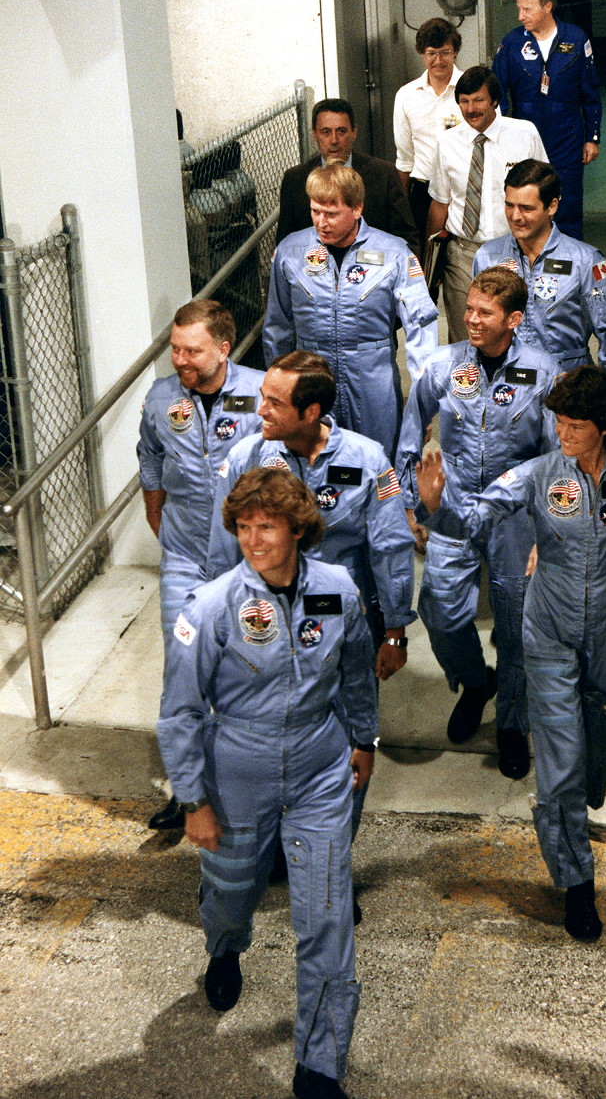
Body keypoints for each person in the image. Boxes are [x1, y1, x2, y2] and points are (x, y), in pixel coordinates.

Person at [415, 365, 606, 941]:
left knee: (595, 747)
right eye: (559, 423)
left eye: (574, 425)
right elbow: (476, 519)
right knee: (561, 764)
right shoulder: (538, 475)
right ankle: (577, 885)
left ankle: (579, 803)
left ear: (604, 428)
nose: (562, 433)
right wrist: (436, 507)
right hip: (547, 626)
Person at [158, 467, 376, 1099]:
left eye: (267, 527)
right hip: (236, 772)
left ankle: (319, 1069)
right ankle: (225, 947)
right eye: (245, 528)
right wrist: (193, 800)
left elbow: (357, 670)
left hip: (318, 770)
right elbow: (179, 712)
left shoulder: (338, 589)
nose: (254, 540)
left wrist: (364, 740)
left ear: (297, 529)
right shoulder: (210, 606)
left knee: (328, 919)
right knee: (230, 896)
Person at [206, 352, 416, 859]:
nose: (261, 410)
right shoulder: (246, 459)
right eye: (262, 398)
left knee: (348, 742)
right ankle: (272, 849)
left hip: (343, 628)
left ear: (311, 411)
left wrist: (394, 631)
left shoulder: (367, 460)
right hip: (263, 627)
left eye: (274, 403)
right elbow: (221, 552)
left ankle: (328, 859)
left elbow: (390, 548)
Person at [396, 268, 560, 777]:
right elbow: (409, 433)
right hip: (454, 503)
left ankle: (511, 721)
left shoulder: (543, 372)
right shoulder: (443, 366)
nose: (471, 319)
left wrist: (548, 532)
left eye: (485, 313)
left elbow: (556, 458)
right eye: (468, 309)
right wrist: (411, 504)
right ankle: (474, 681)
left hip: (515, 514)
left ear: (514, 319)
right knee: (440, 611)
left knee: (515, 626)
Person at [137, 299, 264, 831]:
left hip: (245, 563)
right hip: (185, 558)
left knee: (246, 672)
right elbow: (149, 456)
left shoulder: (262, 392)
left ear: (223, 348)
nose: (180, 360)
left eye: (192, 351)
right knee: (182, 670)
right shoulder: (161, 397)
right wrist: (157, 515)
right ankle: (187, 789)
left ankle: (243, 785)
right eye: (175, 349)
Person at [263, 161, 438, 460]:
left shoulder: (394, 253)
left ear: (357, 208)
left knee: (380, 462)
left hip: (373, 381)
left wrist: (423, 402)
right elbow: (277, 327)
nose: (321, 222)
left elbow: (421, 328)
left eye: (331, 214)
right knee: (311, 465)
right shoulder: (290, 252)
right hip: (310, 381)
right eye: (315, 211)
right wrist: (278, 391)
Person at [473, 159, 606, 386]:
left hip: (566, 386)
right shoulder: (488, 256)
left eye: (526, 208)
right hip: (505, 387)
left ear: (552, 207)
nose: (515, 216)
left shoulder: (585, 261)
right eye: (509, 205)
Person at [426, 66, 547, 345]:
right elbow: (440, 204)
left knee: (519, 333)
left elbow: (544, 194)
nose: (471, 109)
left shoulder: (524, 133)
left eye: (478, 100)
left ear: (494, 101)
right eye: (464, 101)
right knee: (466, 337)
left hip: (515, 251)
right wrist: (431, 264)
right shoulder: (446, 142)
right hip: (463, 254)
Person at [492, 0, 601, 240]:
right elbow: (497, 93)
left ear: (547, 6)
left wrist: (592, 137)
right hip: (525, 137)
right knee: (526, 206)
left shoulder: (575, 39)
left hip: (567, 137)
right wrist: (499, 133)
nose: (520, 16)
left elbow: (590, 92)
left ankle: (570, 259)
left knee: (567, 204)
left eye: (527, 9)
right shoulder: (512, 43)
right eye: (519, 8)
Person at [277, 97, 420, 257]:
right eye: (326, 132)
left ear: (354, 132)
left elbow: (406, 237)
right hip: (314, 267)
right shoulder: (295, 179)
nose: (334, 140)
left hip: (375, 267)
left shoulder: (383, 174)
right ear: (314, 134)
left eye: (341, 131)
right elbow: (285, 244)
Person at [393, 18, 464, 263]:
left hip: (461, 191)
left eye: (445, 52)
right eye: (431, 53)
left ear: (455, 52)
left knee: (460, 263)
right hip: (423, 192)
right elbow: (404, 159)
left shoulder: (472, 91)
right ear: (422, 54)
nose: (438, 60)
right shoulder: (406, 96)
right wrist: (403, 209)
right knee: (425, 265)